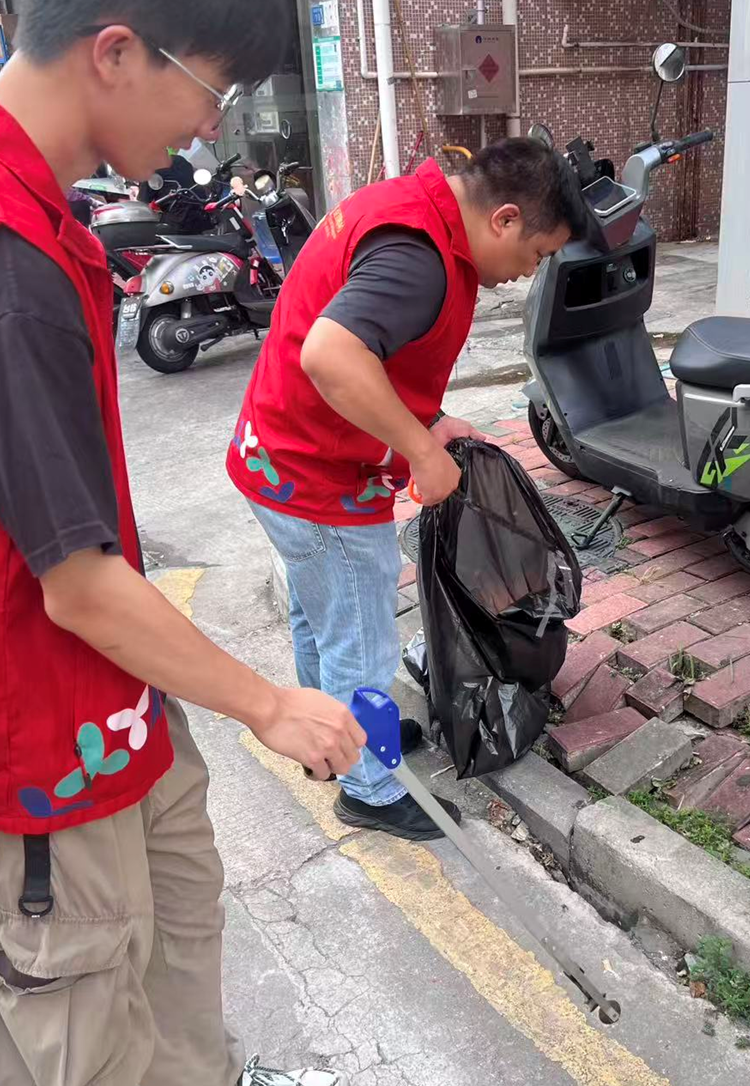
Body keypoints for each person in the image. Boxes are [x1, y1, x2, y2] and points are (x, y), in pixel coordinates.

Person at [0, 3, 363, 1085]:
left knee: (172, 942)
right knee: (80, 1023)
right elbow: (75, 585)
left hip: (100, 702)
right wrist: (268, 703)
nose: (209, 132)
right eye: (213, 94)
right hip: (23, 723)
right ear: (115, 51)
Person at [229, 139, 587, 840]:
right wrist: (421, 451)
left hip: (273, 456)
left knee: (322, 621)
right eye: (538, 255)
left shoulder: (409, 208)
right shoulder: (420, 258)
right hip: (318, 478)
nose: (528, 274)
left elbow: (370, 346)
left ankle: (337, 740)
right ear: (506, 220)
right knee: (361, 641)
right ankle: (367, 786)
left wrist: (426, 418)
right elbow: (332, 353)